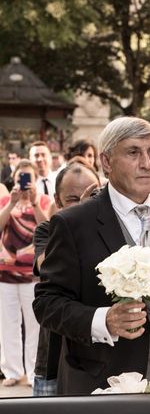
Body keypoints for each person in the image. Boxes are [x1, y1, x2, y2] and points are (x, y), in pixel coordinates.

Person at [33, 117, 150, 414]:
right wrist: (103, 320)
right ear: (107, 162)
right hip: (110, 385)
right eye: (134, 153)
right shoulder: (74, 224)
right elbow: (47, 303)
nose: (147, 163)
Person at [32, 161, 101, 396]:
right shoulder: (46, 230)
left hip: (100, 356)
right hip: (55, 354)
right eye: (73, 199)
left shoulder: (111, 232)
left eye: (92, 194)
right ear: (57, 200)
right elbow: (45, 268)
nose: (83, 202)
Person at [0, 159, 53, 386]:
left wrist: (35, 205)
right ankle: (12, 371)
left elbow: (48, 229)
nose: (24, 182)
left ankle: (32, 372)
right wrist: (11, 204)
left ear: (34, 180)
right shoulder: (5, 200)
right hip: (5, 273)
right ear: (14, 178)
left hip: (32, 274)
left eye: (27, 177)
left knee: (34, 325)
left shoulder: (43, 201)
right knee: (8, 324)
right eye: (20, 176)